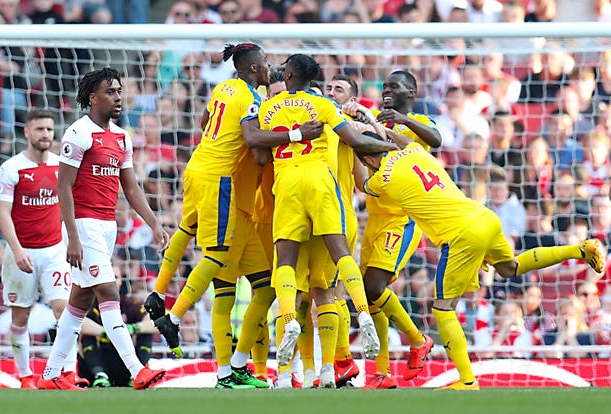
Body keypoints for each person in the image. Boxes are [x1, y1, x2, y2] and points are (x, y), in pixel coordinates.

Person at [354, 131, 607, 390]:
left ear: (367, 159)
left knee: (442, 309)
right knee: (511, 268)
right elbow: (402, 141)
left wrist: (350, 147)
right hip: (483, 216)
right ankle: (580, 250)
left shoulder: (383, 177)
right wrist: (382, 129)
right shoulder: (414, 151)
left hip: (459, 235)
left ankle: (467, 381)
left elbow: (363, 185)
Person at [145, 44, 323, 371]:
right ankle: (175, 317)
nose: (270, 69)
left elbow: (204, 121)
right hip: (224, 186)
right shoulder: (253, 100)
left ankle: (232, 364)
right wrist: (296, 135)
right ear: (255, 69)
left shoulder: (223, 87)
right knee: (217, 259)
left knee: (261, 285)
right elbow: (255, 145)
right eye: (267, 64)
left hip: (203, 173)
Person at [258, 53, 397, 386]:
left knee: (287, 267)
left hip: (287, 184)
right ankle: (362, 313)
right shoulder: (324, 107)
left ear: (288, 75)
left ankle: (290, 336)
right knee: (334, 274)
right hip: (323, 186)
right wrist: (392, 145)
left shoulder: (267, 108)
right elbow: (356, 142)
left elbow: (260, 154)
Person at [38, 68, 169, 390]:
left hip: (106, 225)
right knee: (108, 292)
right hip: (83, 224)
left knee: (80, 300)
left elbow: (132, 187)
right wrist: (71, 236)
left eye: (120, 91)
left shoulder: (121, 137)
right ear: (93, 97)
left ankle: (52, 375)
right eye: (111, 91)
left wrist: (154, 224)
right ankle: (138, 370)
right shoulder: (77, 134)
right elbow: (63, 187)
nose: (119, 97)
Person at [343, 70, 440, 388]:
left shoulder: (420, 122)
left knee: (372, 287)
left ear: (411, 91)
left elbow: (433, 142)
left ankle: (417, 340)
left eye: (395, 87)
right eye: (384, 87)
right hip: (375, 217)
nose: (387, 91)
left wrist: (395, 119)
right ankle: (381, 374)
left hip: (402, 219)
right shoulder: (382, 127)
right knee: (372, 299)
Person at [0, 109, 85, 389]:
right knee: (20, 317)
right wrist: (17, 250)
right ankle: (25, 377)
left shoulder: (61, 166)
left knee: (65, 310)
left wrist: (70, 237)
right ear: (27, 133)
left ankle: (68, 373)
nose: (45, 134)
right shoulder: (12, 168)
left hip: (55, 251)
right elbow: (3, 213)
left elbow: (68, 205)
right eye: (40, 129)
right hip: (22, 254)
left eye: (49, 129)